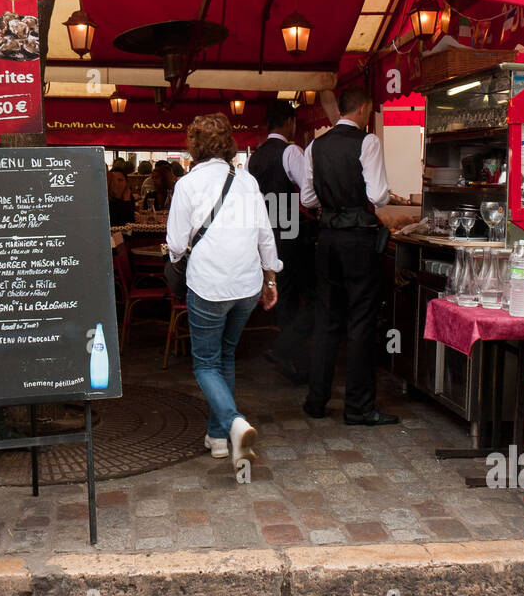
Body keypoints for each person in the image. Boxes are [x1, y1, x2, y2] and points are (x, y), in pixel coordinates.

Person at [166, 114, 280, 465]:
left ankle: (232, 422)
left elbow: (175, 243)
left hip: (209, 285)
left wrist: (174, 252)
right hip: (246, 285)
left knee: (205, 364)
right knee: (226, 355)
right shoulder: (246, 181)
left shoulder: (187, 185)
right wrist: (271, 278)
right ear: (228, 143)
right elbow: (265, 233)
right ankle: (217, 437)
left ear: (194, 145)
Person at [300, 87, 398, 426]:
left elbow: (309, 199)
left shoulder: (315, 145)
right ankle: (358, 407)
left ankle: (316, 400)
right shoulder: (367, 142)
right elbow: (379, 195)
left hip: (326, 238)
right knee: (360, 322)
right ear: (364, 109)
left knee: (327, 319)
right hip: (357, 239)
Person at [249, 99, 315, 385]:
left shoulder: (255, 156)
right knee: (310, 296)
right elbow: (308, 192)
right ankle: (288, 351)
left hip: (266, 236)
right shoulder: (291, 151)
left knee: (284, 296)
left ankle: (289, 354)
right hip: (291, 234)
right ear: (289, 122)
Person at [107, 161, 135, 226]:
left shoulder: (129, 197)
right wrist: (126, 202)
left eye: (120, 180)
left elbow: (130, 224)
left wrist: (127, 200)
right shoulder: (107, 201)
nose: (116, 183)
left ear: (126, 183)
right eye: (113, 180)